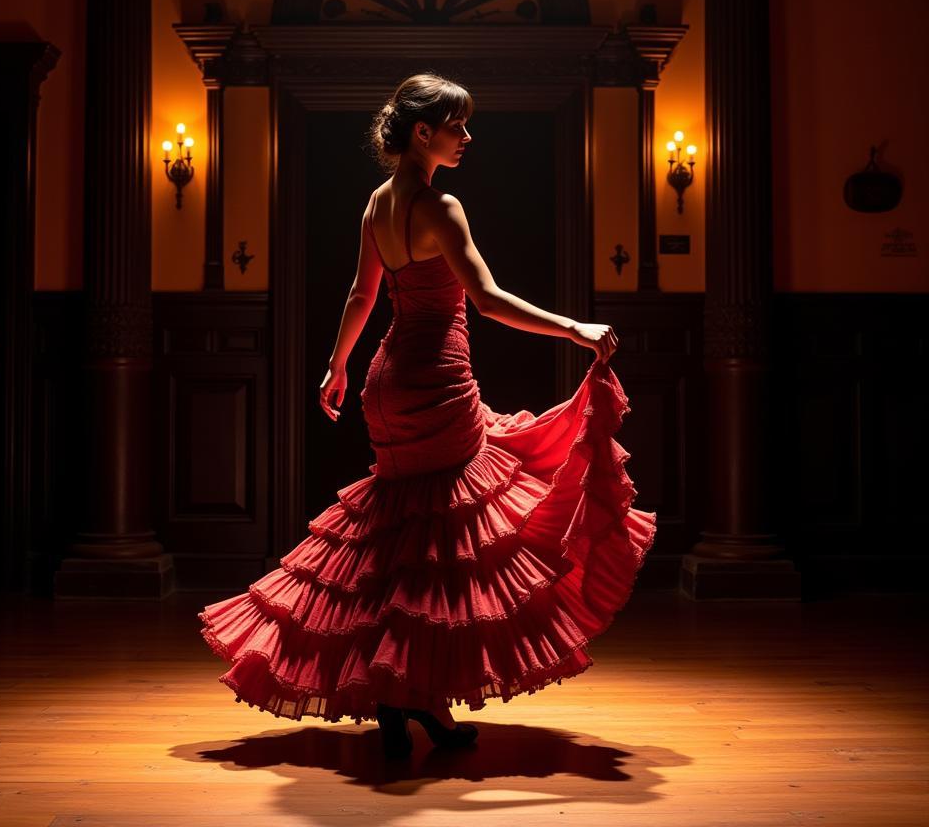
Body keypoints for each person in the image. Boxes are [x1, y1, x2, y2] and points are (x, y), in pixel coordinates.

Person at [198, 72, 657, 759]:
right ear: (423, 133)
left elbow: (361, 295)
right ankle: (411, 693)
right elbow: (489, 299)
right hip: (435, 378)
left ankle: (408, 699)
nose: (467, 138)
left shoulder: (378, 203)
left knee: (405, 536)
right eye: (457, 126)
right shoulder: (443, 208)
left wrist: (338, 365)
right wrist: (573, 328)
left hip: (386, 381)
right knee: (445, 541)